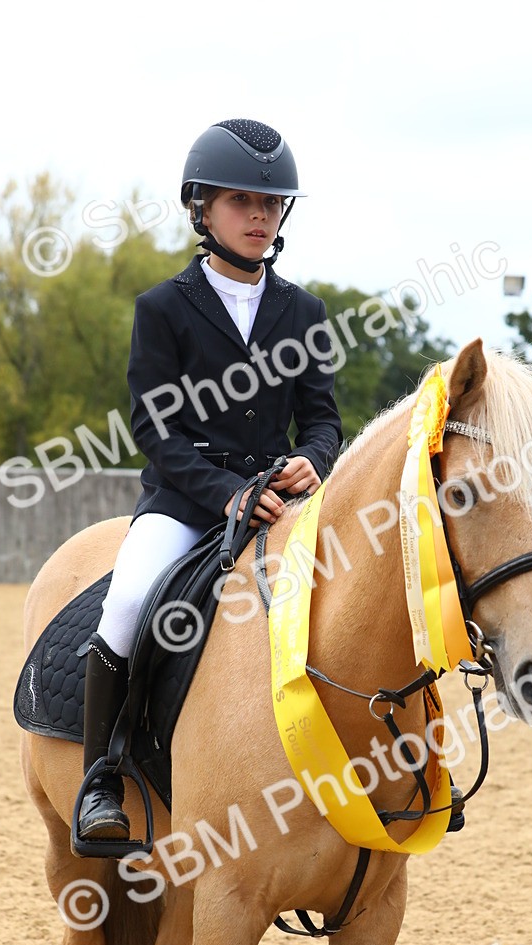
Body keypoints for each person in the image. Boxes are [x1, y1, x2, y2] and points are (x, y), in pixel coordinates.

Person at [77, 118, 342, 842]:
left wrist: (313, 459)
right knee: (129, 598)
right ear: (203, 208)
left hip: (281, 504)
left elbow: (323, 419)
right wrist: (226, 494)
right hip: (188, 501)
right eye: (242, 202)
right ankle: (101, 778)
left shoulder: (305, 313)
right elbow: (155, 430)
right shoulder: (163, 309)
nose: (259, 217)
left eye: (271, 204)